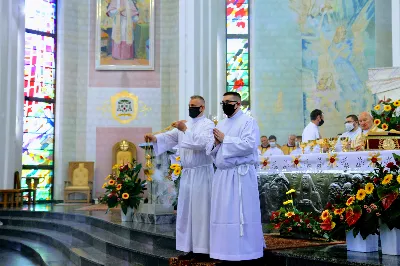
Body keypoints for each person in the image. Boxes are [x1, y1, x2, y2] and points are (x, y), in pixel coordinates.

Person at [144, 95, 214, 260]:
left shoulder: (207, 125)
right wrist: (155, 138)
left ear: (202, 108)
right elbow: (170, 137)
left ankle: (203, 249)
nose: (191, 108)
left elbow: (202, 144)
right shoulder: (186, 125)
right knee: (186, 211)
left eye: (194, 105)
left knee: (201, 211)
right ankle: (188, 247)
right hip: (188, 173)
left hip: (202, 173)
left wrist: (184, 130)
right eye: (189, 105)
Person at [207, 92, 264, 262]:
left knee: (241, 213)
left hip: (240, 175)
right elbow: (214, 151)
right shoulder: (222, 123)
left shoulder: (248, 121)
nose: (224, 105)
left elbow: (249, 145)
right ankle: (224, 251)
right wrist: (216, 144)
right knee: (223, 214)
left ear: (238, 104)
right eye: (222, 102)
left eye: (228, 102)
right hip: (223, 175)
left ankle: (245, 252)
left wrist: (226, 139)